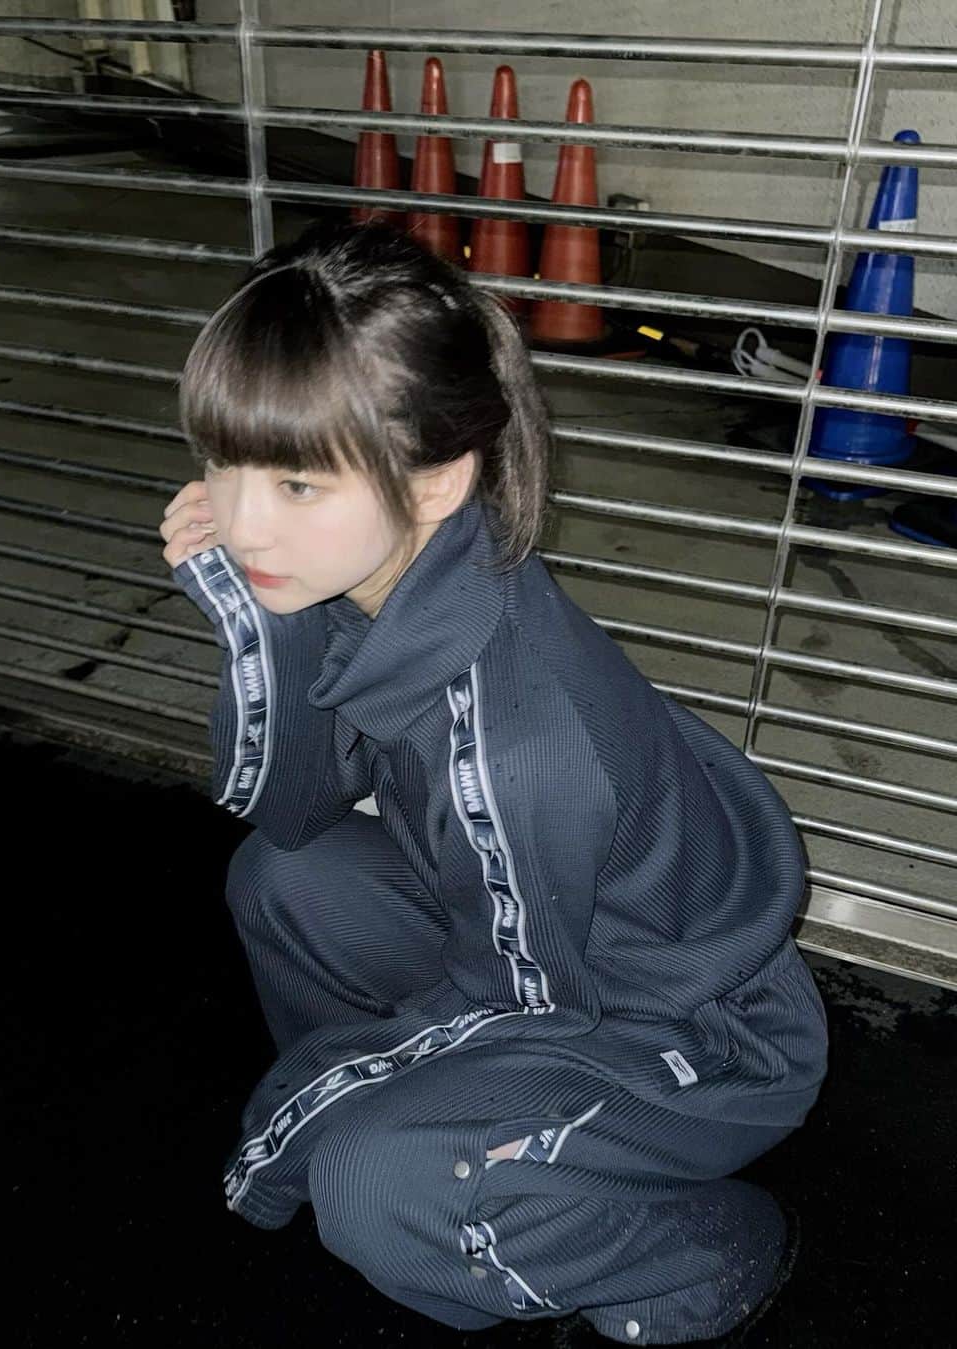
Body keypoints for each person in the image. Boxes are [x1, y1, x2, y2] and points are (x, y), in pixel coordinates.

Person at [158, 218, 828, 1346]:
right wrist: (258, 627)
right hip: (547, 952)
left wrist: (306, 1117)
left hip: (695, 1033)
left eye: (297, 482)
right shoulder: (388, 575)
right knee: (284, 877)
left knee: (377, 1185)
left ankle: (702, 1252)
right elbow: (297, 810)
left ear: (437, 481)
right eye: (225, 462)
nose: (237, 518)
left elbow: (529, 1000)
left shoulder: (515, 743)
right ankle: (442, 1129)